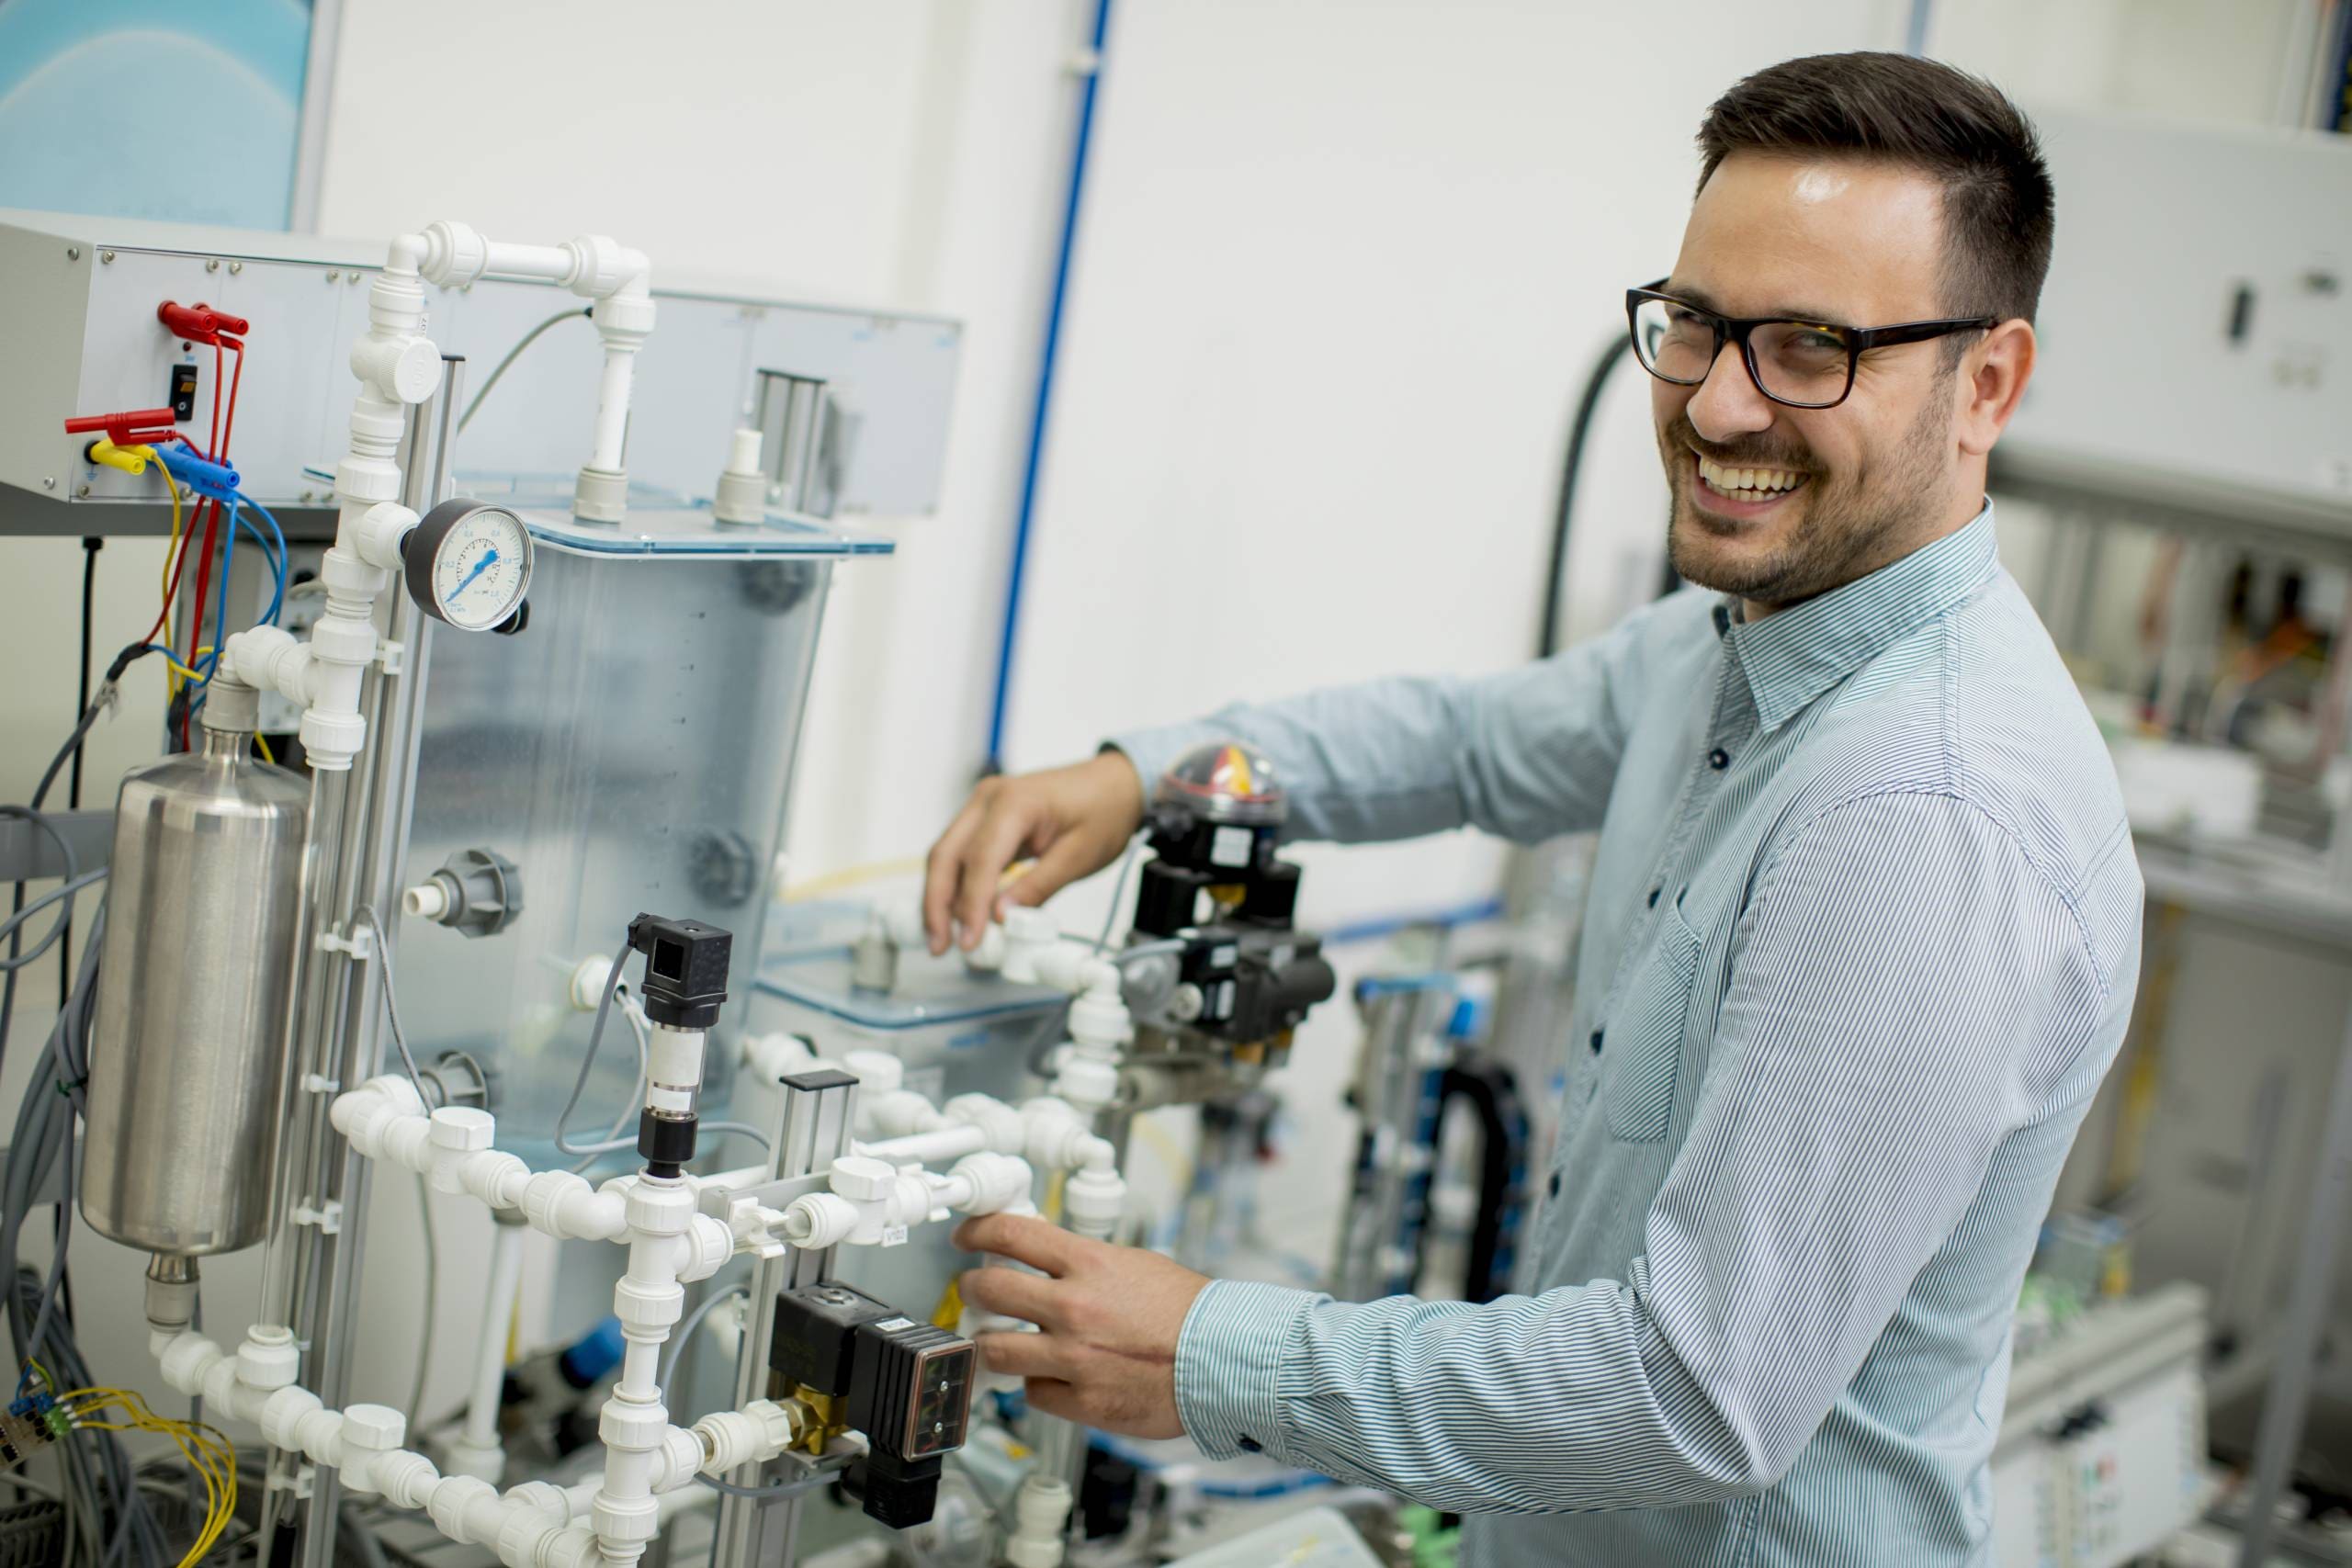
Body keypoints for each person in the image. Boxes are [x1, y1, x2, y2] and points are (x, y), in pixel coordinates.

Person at [930, 51, 2140, 1567]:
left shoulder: (1924, 815)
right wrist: (1144, 774)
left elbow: (1692, 1391)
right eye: (1694, 325)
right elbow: (1466, 743)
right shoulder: (1748, 646)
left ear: (1989, 384)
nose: (1718, 402)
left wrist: (1212, 1350)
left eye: (1813, 348)